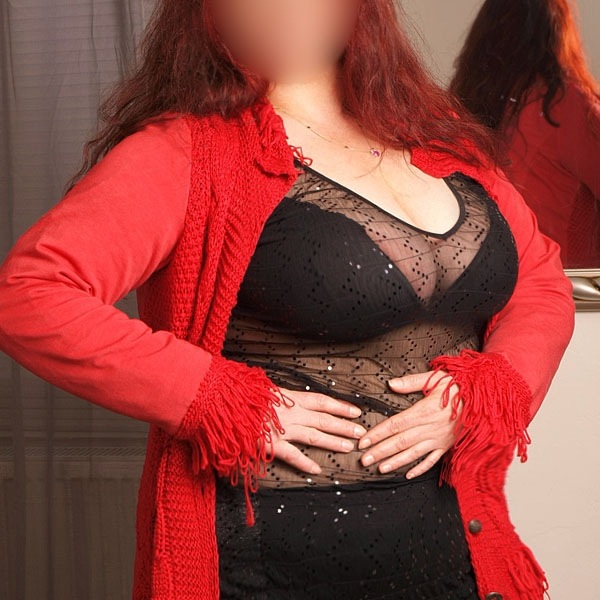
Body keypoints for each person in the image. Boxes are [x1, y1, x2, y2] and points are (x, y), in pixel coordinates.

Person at [0, 1, 574, 598]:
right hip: (267, 568)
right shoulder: (184, 151)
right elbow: (30, 293)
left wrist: (485, 393)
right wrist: (214, 397)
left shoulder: (442, 139)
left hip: (457, 558)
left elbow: (540, 282)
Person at [450, 0, 600, 268]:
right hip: (566, 282)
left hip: (491, 278)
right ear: (559, 32)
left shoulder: (467, 102)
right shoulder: (565, 105)